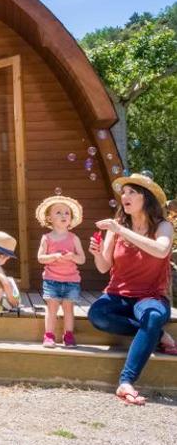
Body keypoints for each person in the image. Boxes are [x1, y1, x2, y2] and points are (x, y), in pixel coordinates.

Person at [87, 173, 176, 406]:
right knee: (97, 314)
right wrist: (97, 253)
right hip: (118, 295)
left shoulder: (163, 226)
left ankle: (126, 381)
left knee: (152, 316)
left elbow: (161, 250)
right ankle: (157, 335)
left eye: (131, 192)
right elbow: (103, 266)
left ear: (146, 198)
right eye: (123, 192)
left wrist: (120, 230)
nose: (124, 196)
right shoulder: (117, 228)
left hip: (150, 297)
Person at [35, 195, 86, 348]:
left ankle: (68, 335)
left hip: (71, 281)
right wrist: (53, 256)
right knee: (52, 308)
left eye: (67, 213)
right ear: (49, 218)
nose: (64, 215)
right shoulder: (46, 238)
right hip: (51, 280)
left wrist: (73, 256)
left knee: (68, 309)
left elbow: (82, 259)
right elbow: (40, 258)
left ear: (71, 219)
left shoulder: (74, 238)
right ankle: (49, 335)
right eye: (58, 212)